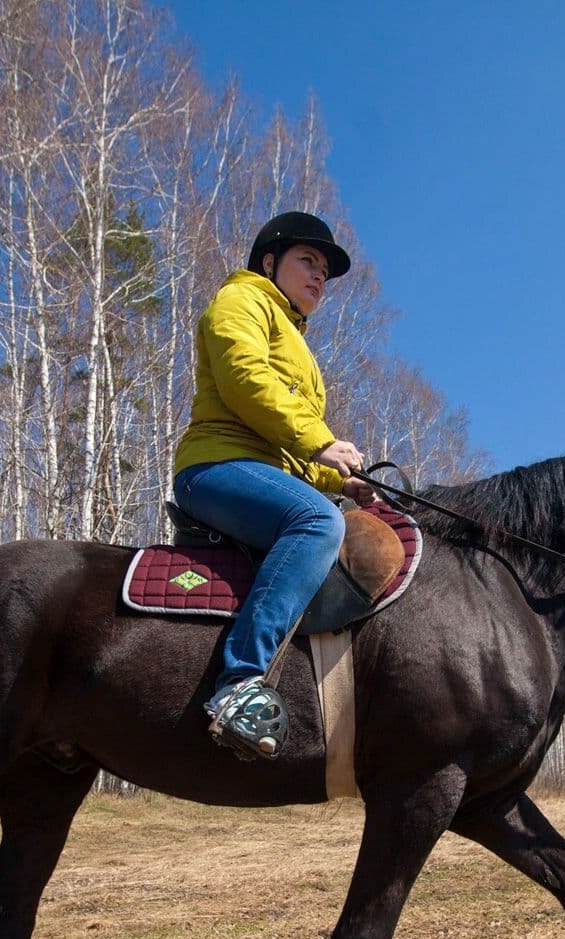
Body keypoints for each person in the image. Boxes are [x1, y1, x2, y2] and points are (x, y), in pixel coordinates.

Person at [172, 211, 377, 759]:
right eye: (307, 260)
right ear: (269, 262)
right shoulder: (240, 299)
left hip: (264, 470)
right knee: (316, 521)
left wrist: (340, 476)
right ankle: (239, 683)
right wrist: (320, 442)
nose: (319, 277)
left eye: (325, 272)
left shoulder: (298, 342)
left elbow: (289, 447)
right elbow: (245, 380)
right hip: (215, 467)